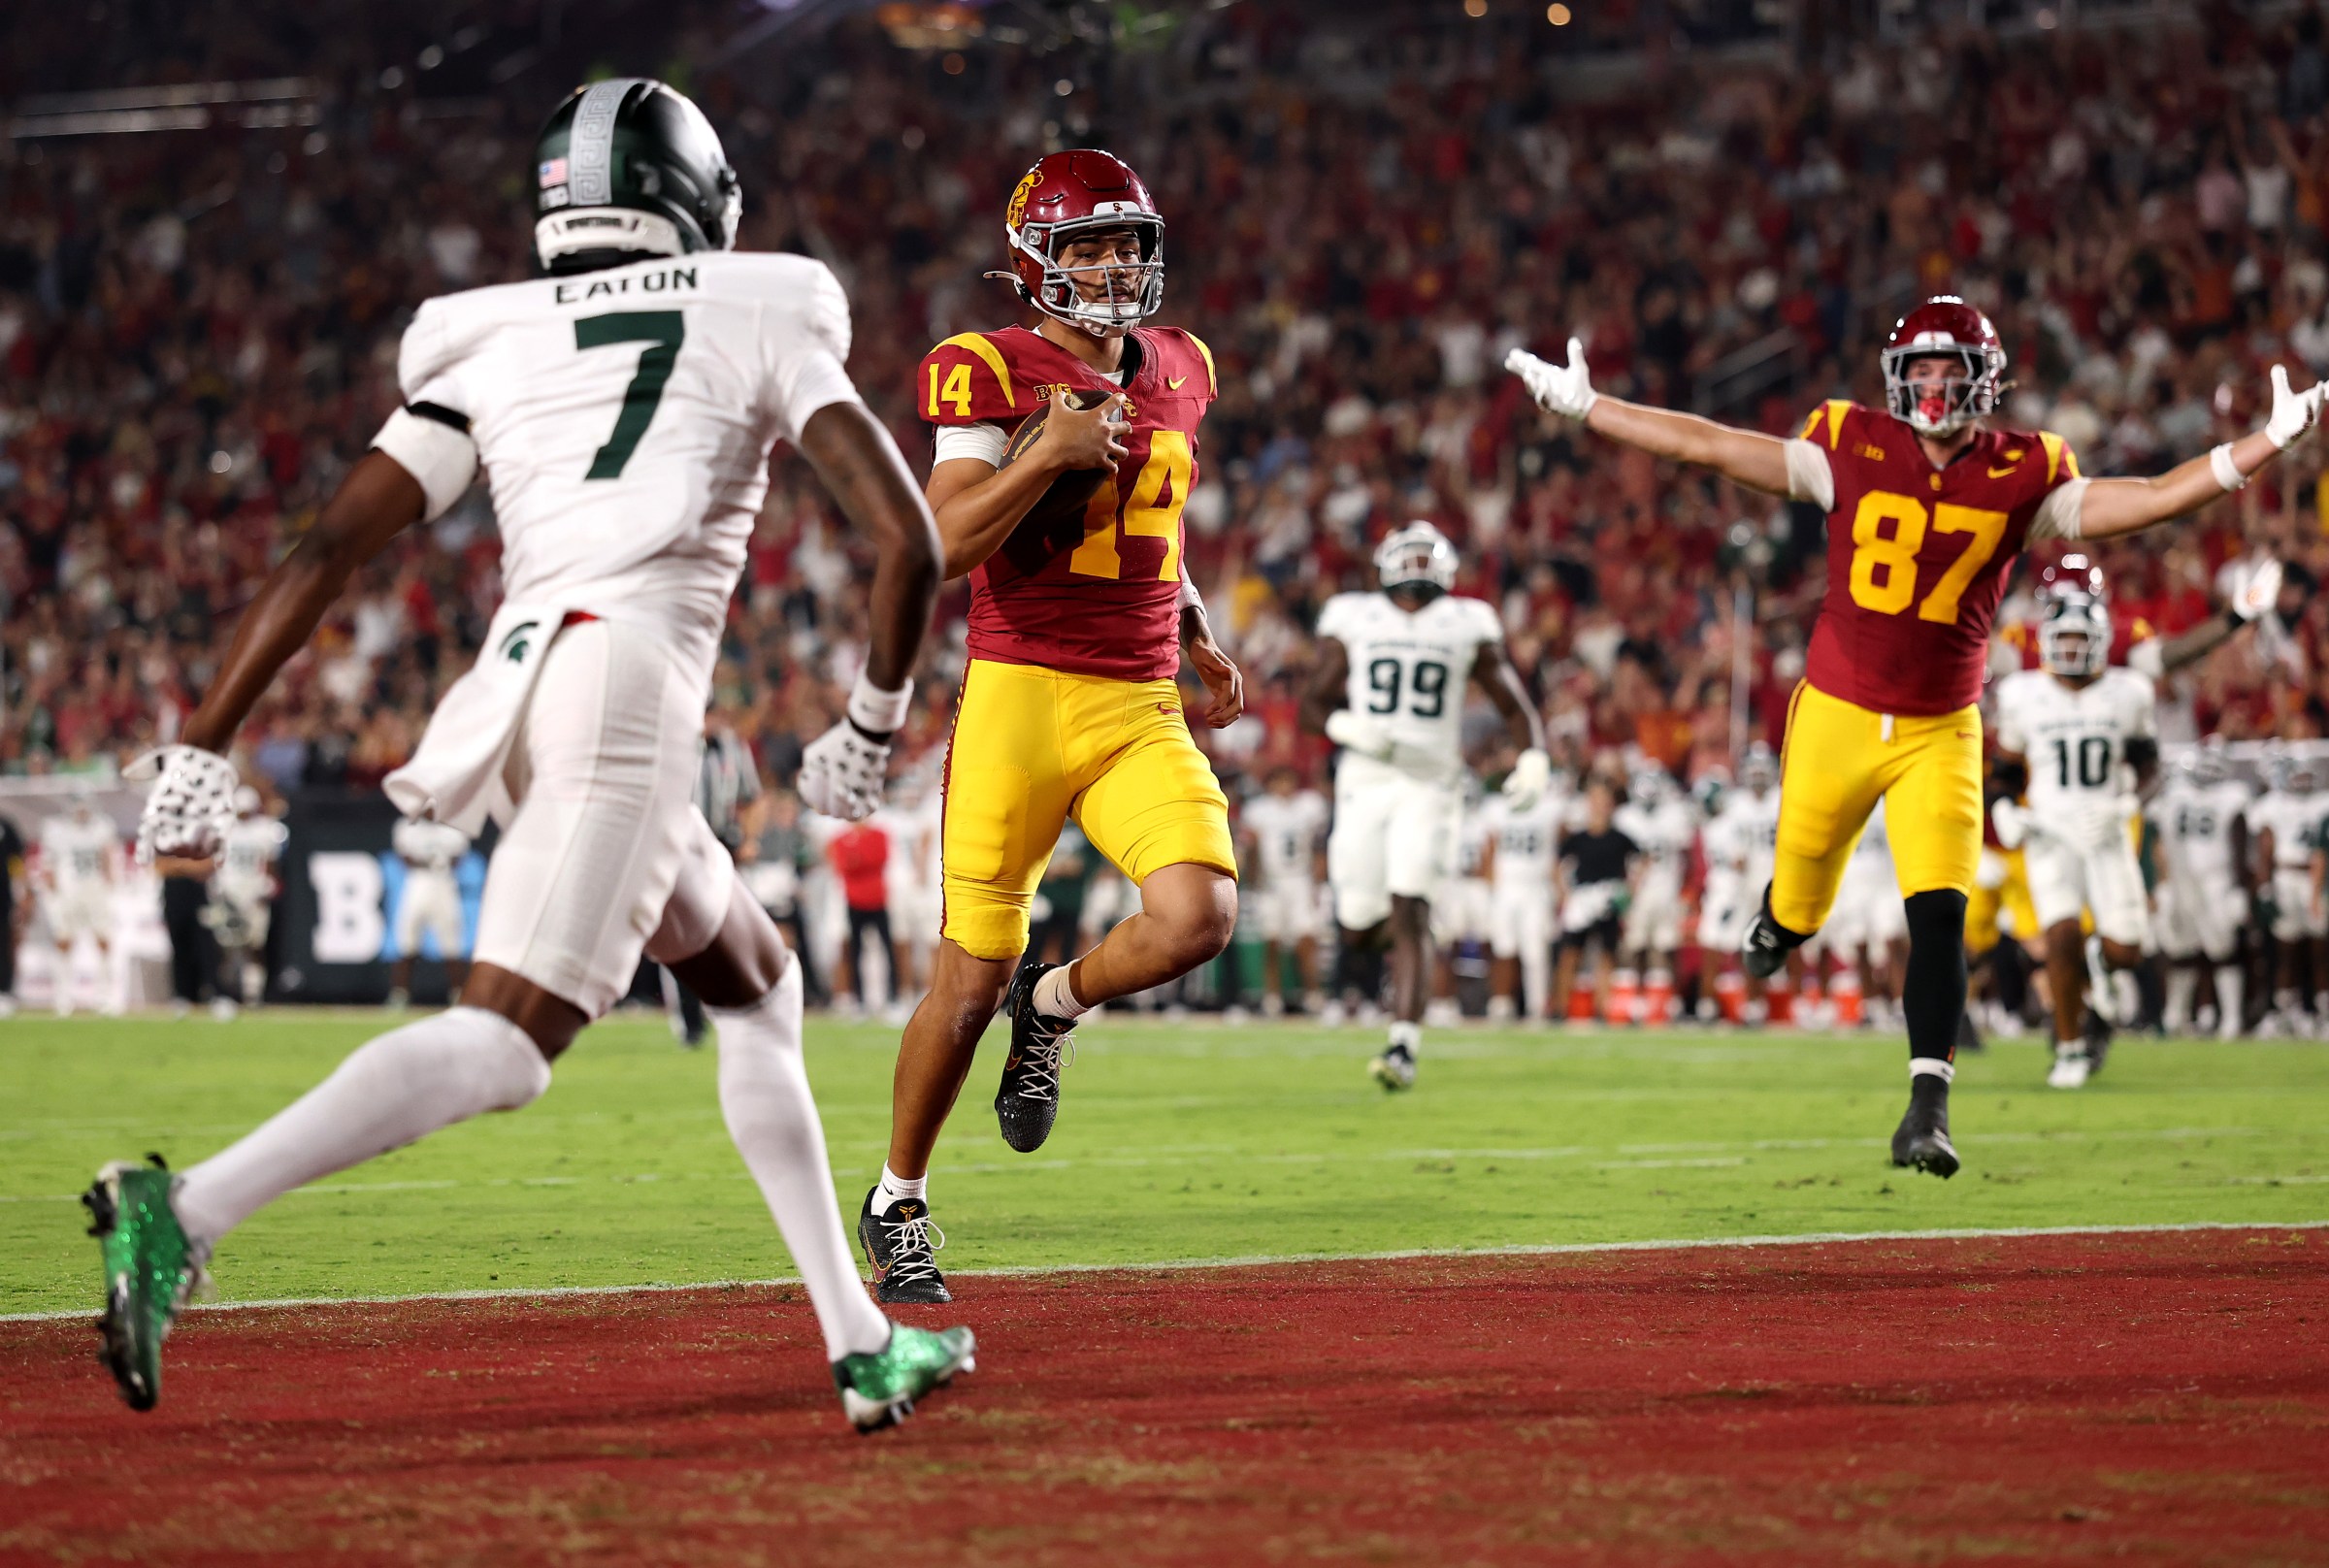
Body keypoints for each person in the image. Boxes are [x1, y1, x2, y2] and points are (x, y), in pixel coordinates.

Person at [85, 79, 970, 1430]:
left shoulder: (492, 339)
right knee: (507, 1049)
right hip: (625, 690)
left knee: (756, 985)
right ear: (697, 200)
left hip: (518, 683)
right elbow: (906, 536)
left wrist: (201, 745)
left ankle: (860, 1343)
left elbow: (326, 548)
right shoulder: (760, 306)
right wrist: (871, 718)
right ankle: (184, 1211)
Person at [1512, 296, 2324, 1176]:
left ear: (1987, 381)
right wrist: (1591, 408)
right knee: (1803, 898)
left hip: (1942, 726)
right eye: (1922, 372)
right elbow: (1709, 443)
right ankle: (1779, 927)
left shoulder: (2027, 471)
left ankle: (1927, 1108)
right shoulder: (1846, 443)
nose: (1935, 390)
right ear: (1898, 381)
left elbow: (2159, 496)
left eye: (1952, 372)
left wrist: (2264, 446)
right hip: (1838, 713)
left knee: (1940, 913)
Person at [860, 148, 1246, 1306]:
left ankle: (1058, 1000)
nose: (1114, 263)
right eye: (1087, 245)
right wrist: (1043, 451)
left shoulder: (1183, 365)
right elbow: (938, 544)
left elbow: (1156, 525)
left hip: (1135, 699)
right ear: (1036, 260)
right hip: (1020, 694)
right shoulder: (986, 367)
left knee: (1199, 915)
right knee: (963, 984)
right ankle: (897, 1199)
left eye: (1127, 241)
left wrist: (1194, 630)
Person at [1305, 521, 1551, 1088]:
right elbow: (1311, 705)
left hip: (1431, 783)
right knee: (1360, 921)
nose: (1416, 570)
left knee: (1412, 904)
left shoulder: (1465, 623)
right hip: (1365, 782)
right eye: (1407, 558)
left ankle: (1403, 1045)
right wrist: (1348, 726)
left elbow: (1513, 704)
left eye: (1425, 558)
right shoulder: (1356, 617)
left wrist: (1533, 756)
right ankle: (1391, 969)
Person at [1990, 592, 2161, 1088]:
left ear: (2101, 642)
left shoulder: (2128, 693)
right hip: (2050, 830)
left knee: (2126, 949)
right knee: (2059, 936)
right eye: (2062, 637)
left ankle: (2099, 967)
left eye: (2079, 638)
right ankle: (2069, 1048)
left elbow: (2150, 770)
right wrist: (2004, 809)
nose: (2070, 648)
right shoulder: (2025, 694)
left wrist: (2127, 805)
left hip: (2105, 828)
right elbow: (2003, 771)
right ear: (2045, 641)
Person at [2148, 741, 2251, 1037]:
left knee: (2221, 948)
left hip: (2215, 878)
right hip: (2182, 881)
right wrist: (2159, 883)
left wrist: (2238, 887)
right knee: (2182, 949)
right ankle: (2176, 1015)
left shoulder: (2230, 796)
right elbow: (2156, 843)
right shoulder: (2172, 796)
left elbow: (2238, 841)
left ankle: (2231, 1017)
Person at [1239, 765, 1330, 1016]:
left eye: (1288, 781)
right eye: (1279, 781)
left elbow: (1318, 845)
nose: (1284, 787)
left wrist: (1317, 881)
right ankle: (1272, 998)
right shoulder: (1260, 810)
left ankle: (1313, 995)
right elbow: (1253, 848)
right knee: (1272, 941)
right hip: (1271, 882)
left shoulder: (1308, 806)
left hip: (1300, 879)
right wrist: (1254, 881)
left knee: (1307, 938)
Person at [1612, 764, 1697, 1025]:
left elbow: (1687, 857)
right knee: (1634, 946)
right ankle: (1636, 1001)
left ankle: (1666, 1000)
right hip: (1638, 891)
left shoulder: (1674, 814)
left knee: (1666, 947)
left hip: (1666, 889)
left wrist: (1686, 890)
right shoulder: (1625, 817)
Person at [2251, 749, 2328, 1036]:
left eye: (2307, 774)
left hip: (2316, 879)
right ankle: (2287, 1011)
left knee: (2320, 950)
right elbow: (2265, 848)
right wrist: (2265, 886)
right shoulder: (2272, 805)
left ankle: (2322, 1012)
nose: (2303, 780)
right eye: (2298, 773)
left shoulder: (2323, 803)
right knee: (2286, 951)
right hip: (2286, 877)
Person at [1553, 779, 1639, 1022]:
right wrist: (1564, 894)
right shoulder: (1578, 838)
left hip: (1607, 899)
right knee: (1570, 954)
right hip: (1583, 899)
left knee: (1605, 955)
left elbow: (1641, 861)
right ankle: (1560, 1008)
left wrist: (1629, 892)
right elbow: (1557, 864)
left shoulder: (1619, 838)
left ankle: (1603, 1008)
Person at [1479, 768, 1562, 1021]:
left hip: (1535, 887)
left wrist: (1558, 888)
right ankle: (1501, 1003)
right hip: (1507, 887)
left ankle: (1537, 1006)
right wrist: (1490, 886)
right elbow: (1490, 848)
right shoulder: (1497, 808)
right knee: (1503, 947)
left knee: (1535, 951)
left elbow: (1557, 849)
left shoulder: (1549, 808)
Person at [37, 792, 120, 1017]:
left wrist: (110, 885)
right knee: (64, 940)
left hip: (94, 889)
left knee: (103, 939)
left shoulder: (101, 827)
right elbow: (48, 864)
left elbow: (107, 858)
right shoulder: (55, 829)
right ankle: (63, 997)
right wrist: (54, 894)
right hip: (69, 891)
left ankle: (104, 995)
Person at [206, 787, 287, 1016]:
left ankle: (253, 993)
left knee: (254, 944)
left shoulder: (265, 830)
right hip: (230, 893)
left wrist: (266, 888)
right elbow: (217, 863)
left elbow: (271, 863)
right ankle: (231, 992)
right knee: (227, 946)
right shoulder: (225, 830)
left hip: (253, 893)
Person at [387, 813, 471, 1011]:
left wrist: (439, 863)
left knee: (452, 944)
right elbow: (404, 858)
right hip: (417, 883)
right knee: (406, 942)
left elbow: (458, 858)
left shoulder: (454, 825)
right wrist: (431, 862)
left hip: (444, 884)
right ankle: (400, 994)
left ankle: (458, 994)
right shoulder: (407, 825)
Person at [827, 814, 896, 1014]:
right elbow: (842, 866)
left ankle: (893, 996)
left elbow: (880, 859)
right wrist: (859, 860)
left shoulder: (879, 835)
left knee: (887, 949)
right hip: (854, 900)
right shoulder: (840, 839)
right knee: (855, 951)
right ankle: (859, 999)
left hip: (877, 899)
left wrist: (857, 859)